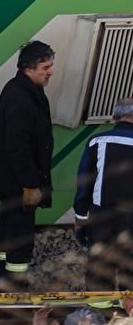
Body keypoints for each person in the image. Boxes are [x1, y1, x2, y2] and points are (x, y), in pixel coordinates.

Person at [0, 40, 56, 289]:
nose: (50, 72)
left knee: (8, 227)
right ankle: (15, 282)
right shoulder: (22, 97)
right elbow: (18, 146)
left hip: (8, 179)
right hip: (18, 182)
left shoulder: (20, 89)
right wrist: (31, 184)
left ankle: (0, 274)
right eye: (46, 67)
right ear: (29, 69)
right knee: (21, 233)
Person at [74, 96, 133, 290]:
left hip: (102, 218)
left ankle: (99, 314)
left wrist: (80, 216)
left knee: (100, 273)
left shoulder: (97, 142)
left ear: (114, 118)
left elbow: (84, 181)